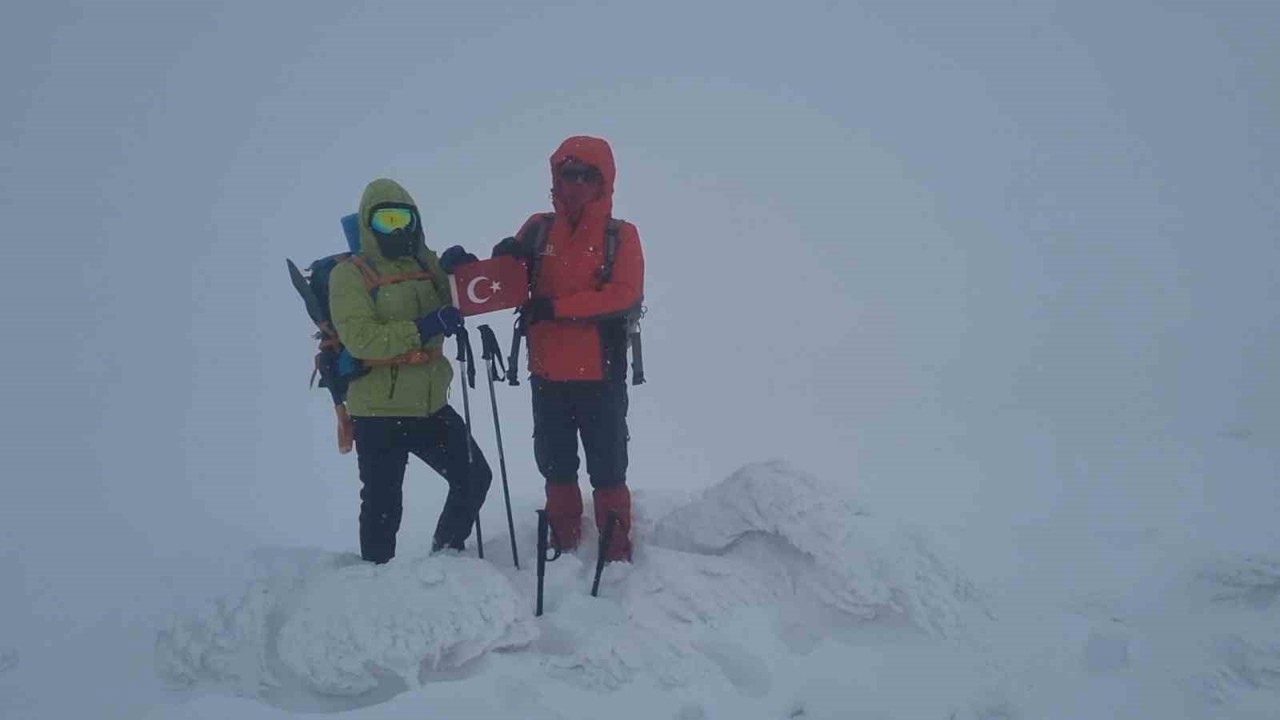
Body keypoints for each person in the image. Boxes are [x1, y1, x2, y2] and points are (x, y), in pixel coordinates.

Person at [443, 136, 644, 562]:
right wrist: (470, 270)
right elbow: (504, 283)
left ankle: (616, 550)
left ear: (603, 181)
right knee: (556, 464)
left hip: (600, 372)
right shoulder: (537, 228)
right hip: (547, 372)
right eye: (566, 173)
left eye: (585, 174)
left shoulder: (620, 235)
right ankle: (565, 541)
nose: (574, 182)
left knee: (608, 466)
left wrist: (556, 307)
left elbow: (623, 295)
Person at [328, 178, 493, 564]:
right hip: (378, 413)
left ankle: (446, 558)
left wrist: (457, 268)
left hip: (429, 405)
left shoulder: (424, 262)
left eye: (403, 219)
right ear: (370, 225)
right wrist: (423, 327)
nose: (397, 229)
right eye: (386, 221)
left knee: (473, 478)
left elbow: (457, 300)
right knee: (383, 507)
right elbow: (361, 339)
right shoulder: (349, 275)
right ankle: (375, 582)